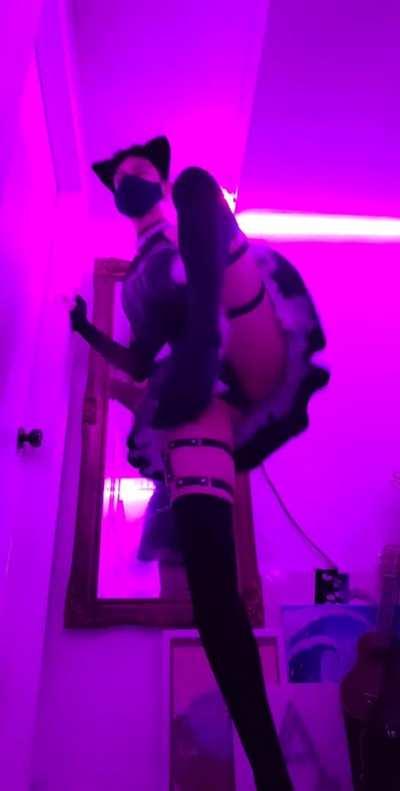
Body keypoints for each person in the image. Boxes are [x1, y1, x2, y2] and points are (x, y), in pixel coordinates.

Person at [71, 135, 329, 790]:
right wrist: (88, 330)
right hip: (202, 399)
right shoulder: (135, 283)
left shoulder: (177, 219)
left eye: (137, 174)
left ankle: (204, 334)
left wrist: (196, 345)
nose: (128, 185)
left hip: (243, 335)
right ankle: (271, 773)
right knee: (214, 590)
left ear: (153, 183)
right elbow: (136, 362)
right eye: (119, 182)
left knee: (201, 187)